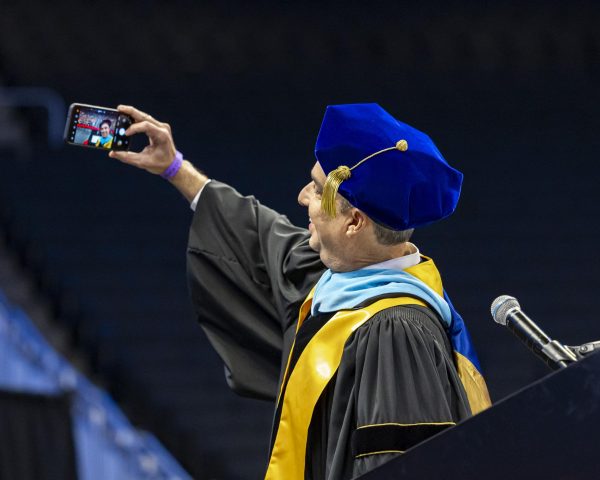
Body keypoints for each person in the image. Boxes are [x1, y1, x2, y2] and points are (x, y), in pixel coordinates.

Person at [110, 103, 491, 480]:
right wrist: (176, 167)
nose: (302, 197)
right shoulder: (341, 280)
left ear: (354, 222)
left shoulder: (398, 332)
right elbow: (260, 237)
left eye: (315, 188)